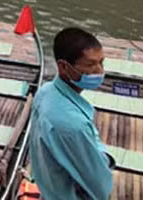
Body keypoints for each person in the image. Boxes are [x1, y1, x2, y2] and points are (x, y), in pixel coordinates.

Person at [27, 27, 113, 200]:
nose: (99, 71)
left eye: (101, 63)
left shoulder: (45, 91)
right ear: (63, 67)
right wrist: (105, 160)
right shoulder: (72, 125)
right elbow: (99, 187)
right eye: (90, 65)